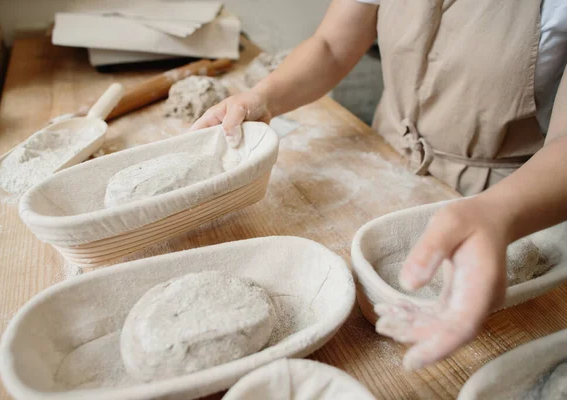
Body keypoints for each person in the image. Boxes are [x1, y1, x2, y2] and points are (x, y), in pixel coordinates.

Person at [191, 0, 567, 371]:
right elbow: (332, 46)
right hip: (386, 154)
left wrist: (498, 212)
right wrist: (262, 97)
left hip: (513, 198)